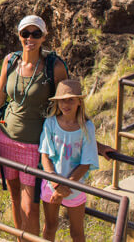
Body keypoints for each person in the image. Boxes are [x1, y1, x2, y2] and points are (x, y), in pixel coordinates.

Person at [0, 15, 68, 237]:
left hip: (35, 145)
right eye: (25, 33)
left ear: (44, 36)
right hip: (5, 138)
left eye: (36, 34)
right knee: (15, 198)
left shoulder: (54, 67)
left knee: (30, 206)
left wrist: (90, 139)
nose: (30, 38)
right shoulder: (10, 61)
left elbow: (69, 103)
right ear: (19, 35)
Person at [39, 79, 98, 242]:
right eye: (62, 100)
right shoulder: (50, 123)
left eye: (71, 100)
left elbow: (85, 163)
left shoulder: (87, 127)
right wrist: (56, 186)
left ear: (79, 102)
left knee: (77, 232)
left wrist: (66, 187)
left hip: (75, 186)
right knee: (50, 226)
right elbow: (45, 155)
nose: (66, 104)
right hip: (52, 183)